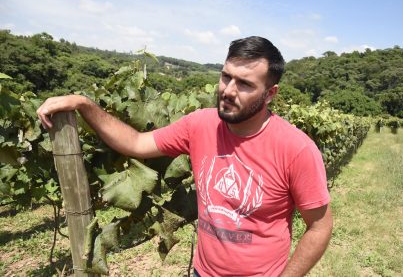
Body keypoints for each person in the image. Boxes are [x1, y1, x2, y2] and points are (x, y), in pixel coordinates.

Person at [37, 36, 333, 276]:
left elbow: (319, 227)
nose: (228, 91)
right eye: (225, 77)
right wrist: (84, 105)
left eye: (244, 84)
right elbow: (137, 143)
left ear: (270, 94)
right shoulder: (200, 124)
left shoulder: (296, 149)